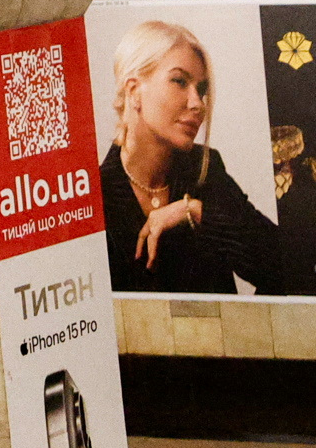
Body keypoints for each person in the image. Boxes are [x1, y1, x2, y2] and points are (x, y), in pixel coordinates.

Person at [97, 19, 288, 297]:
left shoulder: (206, 170)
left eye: (201, 90)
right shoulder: (93, 196)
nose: (197, 103)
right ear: (134, 90)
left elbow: (287, 266)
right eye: (179, 81)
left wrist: (196, 212)